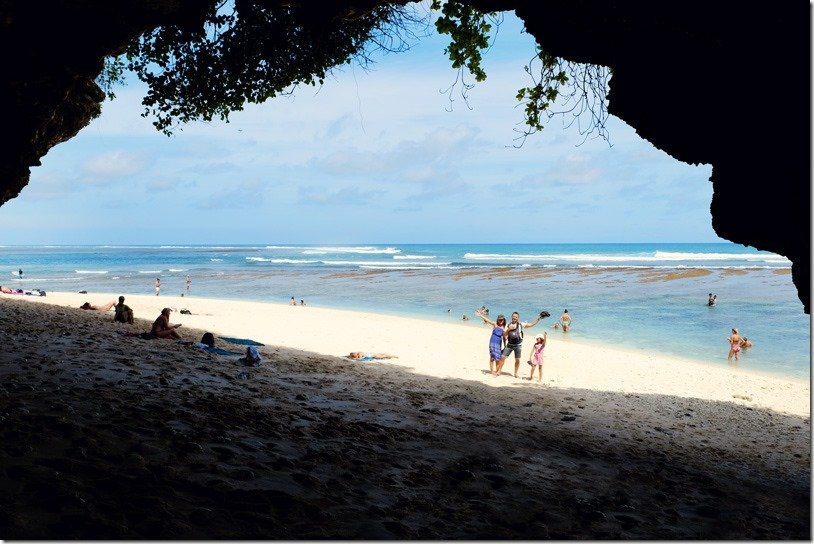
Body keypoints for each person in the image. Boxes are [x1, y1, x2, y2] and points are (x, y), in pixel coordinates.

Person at [495, 311, 545, 378]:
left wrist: (539, 318)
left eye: (516, 317)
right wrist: (509, 329)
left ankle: (515, 373)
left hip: (518, 345)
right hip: (509, 344)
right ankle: (499, 371)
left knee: (517, 360)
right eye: (513, 316)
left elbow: (531, 324)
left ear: (518, 318)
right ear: (512, 317)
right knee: (503, 357)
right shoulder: (508, 325)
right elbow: (504, 335)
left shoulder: (521, 324)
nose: (514, 318)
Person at [475, 309, 507, 375]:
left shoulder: (504, 328)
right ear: (497, 320)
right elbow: (488, 320)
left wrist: (505, 345)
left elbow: (504, 337)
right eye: (499, 320)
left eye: (502, 320)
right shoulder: (495, 324)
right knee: (492, 357)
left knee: (498, 357)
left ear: (504, 320)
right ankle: (492, 371)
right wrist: (481, 315)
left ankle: (497, 370)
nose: (501, 321)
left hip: (499, 343)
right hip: (492, 342)